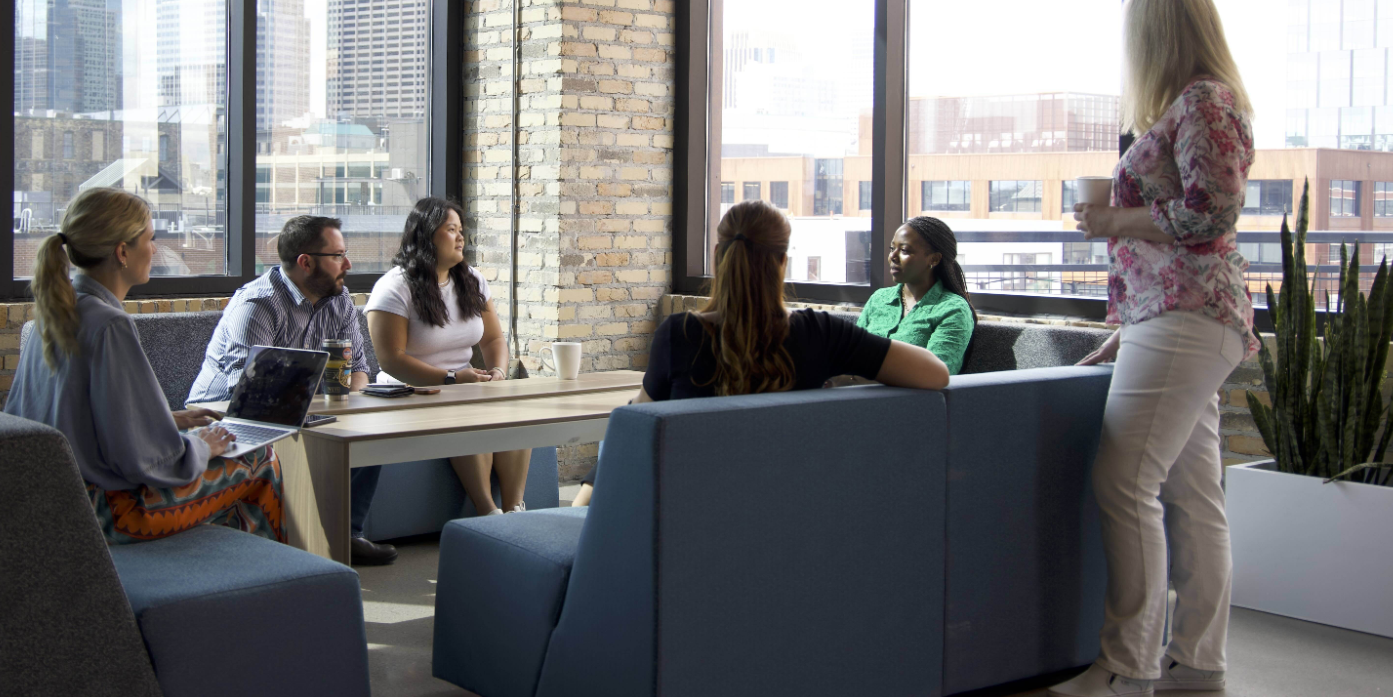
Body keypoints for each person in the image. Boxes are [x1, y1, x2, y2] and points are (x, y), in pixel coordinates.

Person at [1048, 0, 1255, 697]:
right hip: (1174, 318)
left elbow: (1212, 211)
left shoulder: (1203, 102)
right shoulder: (1192, 105)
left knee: (1123, 481)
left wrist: (1112, 224)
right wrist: (1127, 329)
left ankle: (1127, 665)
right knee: (1192, 492)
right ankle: (1196, 660)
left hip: (1186, 315)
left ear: (1156, 34)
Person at [572, 200, 949, 506]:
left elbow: (634, 434)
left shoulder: (681, 334)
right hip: (792, 514)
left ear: (719, 253)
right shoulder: (822, 333)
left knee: (623, 421)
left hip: (688, 518)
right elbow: (935, 374)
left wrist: (584, 500)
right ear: (782, 262)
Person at [3, 187, 277, 544]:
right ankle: (272, 586)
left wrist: (167, 422)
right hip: (107, 512)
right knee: (259, 460)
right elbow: (148, 464)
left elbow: (81, 419)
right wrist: (203, 446)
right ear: (122, 252)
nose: (155, 249)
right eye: (150, 238)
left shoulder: (59, 310)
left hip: (55, 500)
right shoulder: (108, 324)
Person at [187, 215, 396, 564]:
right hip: (224, 414)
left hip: (305, 408)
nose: (347, 264)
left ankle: (347, 535)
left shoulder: (339, 299)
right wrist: (321, 401)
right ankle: (287, 549)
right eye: (338, 255)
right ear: (306, 262)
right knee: (288, 439)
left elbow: (359, 370)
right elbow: (252, 392)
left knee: (367, 434)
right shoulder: (258, 305)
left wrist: (339, 403)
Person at [366, 197, 530, 516]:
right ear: (426, 235)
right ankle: (487, 511)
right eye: (451, 229)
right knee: (466, 415)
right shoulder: (395, 287)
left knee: (518, 413)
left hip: (463, 384)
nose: (460, 237)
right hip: (408, 392)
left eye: (461, 230)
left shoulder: (471, 280)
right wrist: (451, 379)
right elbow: (391, 360)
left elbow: (494, 337)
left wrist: (498, 369)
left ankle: (515, 510)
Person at [856, 215, 977, 374]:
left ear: (934, 259)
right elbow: (851, 352)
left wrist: (856, 378)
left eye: (904, 250)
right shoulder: (879, 299)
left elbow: (935, 374)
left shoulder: (952, 309)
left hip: (909, 398)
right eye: (892, 249)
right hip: (853, 392)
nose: (893, 256)